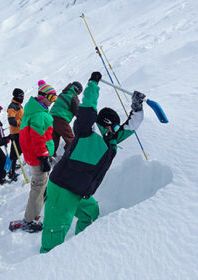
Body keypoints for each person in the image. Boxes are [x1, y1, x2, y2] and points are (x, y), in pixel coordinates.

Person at [40, 72, 145, 253]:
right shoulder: (86, 130)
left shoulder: (108, 140)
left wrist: (137, 109)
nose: (115, 129)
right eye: (114, 125)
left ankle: (81, 248)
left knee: (90, 213)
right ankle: (48, 263)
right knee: (54, 233)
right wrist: (93, 84)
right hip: (62, 188)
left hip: (79, 191)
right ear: (107, 123)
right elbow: (88, 107)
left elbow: (129, 128)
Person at [14, 80, 57, 233]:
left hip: (35, 155)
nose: (53, 101)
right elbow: (38, 139)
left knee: (40, 184)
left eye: (55, 98)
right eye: (52, 98)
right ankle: (29, 220)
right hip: (38, 157)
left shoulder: (35, 110)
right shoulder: (39, 115)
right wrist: (44, 157)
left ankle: (38, 205)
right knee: (38, 186)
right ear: (43, 97)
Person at [50, 81, 82, 157]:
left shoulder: (62, 94)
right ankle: (68, 157)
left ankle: (50, 157)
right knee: (70, 139)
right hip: (61, 120)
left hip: (51, 119)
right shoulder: (73, 97)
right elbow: (78, 111)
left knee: (53, 140)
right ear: (77, 90)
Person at [7, 88, 25, 181]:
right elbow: (11, 121)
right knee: (14, 154)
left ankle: (11, 167)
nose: (22, 98)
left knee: (19, 151)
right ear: (16, 96)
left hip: (21, 132)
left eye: (23, 96)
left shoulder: (19, 105)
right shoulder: (12, 107)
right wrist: (22, 121)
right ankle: (11, 172)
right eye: (20, 96)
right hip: (15, 133)